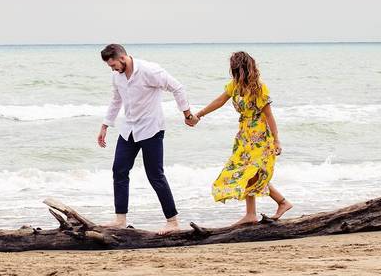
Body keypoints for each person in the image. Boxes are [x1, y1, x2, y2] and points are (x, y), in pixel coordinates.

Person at [97, 43, 197, 233]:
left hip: (152, 129)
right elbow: (116, 100)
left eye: (113, 65)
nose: (113, 70)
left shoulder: (150, 71)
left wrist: (187, 114)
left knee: (155, 175)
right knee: (119, 170)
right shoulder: (117, 76)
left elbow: (177, 87)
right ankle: (120, 220)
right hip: (129, 129)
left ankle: (173, 222)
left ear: (123, 58)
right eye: (110, 67)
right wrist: (104, 126)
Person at [191, 51, 293, 225]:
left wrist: (277, 140)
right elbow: (219, 101)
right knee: (248, 174)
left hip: (260, 138)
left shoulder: (260, 88)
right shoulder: (235, 86)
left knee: (252, 173)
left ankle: (265, 208)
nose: (235, 73)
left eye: (236, 69)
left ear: (244, 68)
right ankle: (276, 205)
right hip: (244, 137)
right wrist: (199, 115)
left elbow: (269, 116)